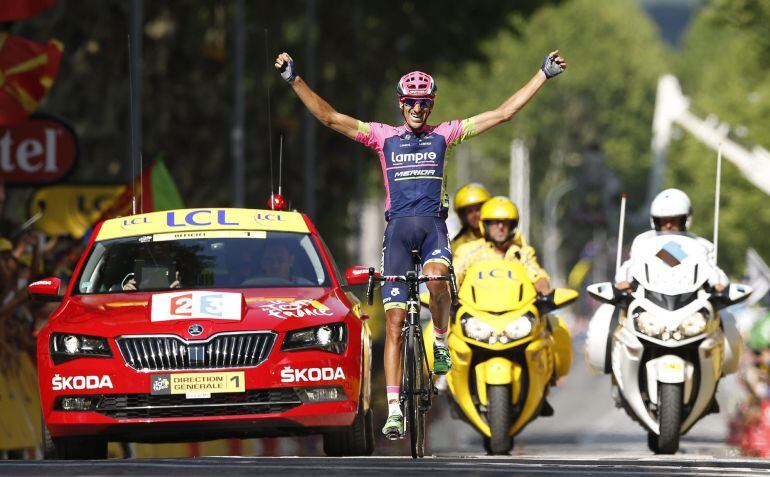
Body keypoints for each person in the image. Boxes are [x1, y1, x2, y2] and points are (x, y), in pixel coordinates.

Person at [275, 49, 567, 438]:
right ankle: (395, 410)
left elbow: (502, 113)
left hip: (432, 231)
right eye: (411, 102)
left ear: (432, 105)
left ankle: (442, 339)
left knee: (436, 280)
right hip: (397, 233)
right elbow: (330, 118)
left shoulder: (444, 134)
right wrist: (295, 80)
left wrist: (542, 75)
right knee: (394, 322)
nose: (417, 108)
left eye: (424, 103)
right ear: (401, 104)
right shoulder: (382, 137)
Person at [615, 188, 728, 292]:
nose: (668, 225)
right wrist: (623, 281)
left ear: (685, 219)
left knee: (725, 314)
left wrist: (718, 283)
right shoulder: (643, 242)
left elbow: (711, 269)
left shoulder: (701, 245)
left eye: (674, 220)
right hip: (648, 303)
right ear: (655, 221)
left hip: (693, 303)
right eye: (664, 220)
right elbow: (631, 265)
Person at [454, 196, 551, 294]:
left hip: (516, 308)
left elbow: (537, 275)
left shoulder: (522, 253)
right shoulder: (467, 251)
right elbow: (455, 273)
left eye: (505, 222)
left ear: (512, 226)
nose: (500, 227)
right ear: (485, 225)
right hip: (473, 308)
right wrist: (452, 289)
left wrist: (544, 290)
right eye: (495, 222)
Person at [451, 183, 490, 254]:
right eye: (469, 211)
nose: (475, 215)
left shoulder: (498, 237)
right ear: (463, 216)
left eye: (478, 209)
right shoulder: (457, 245)